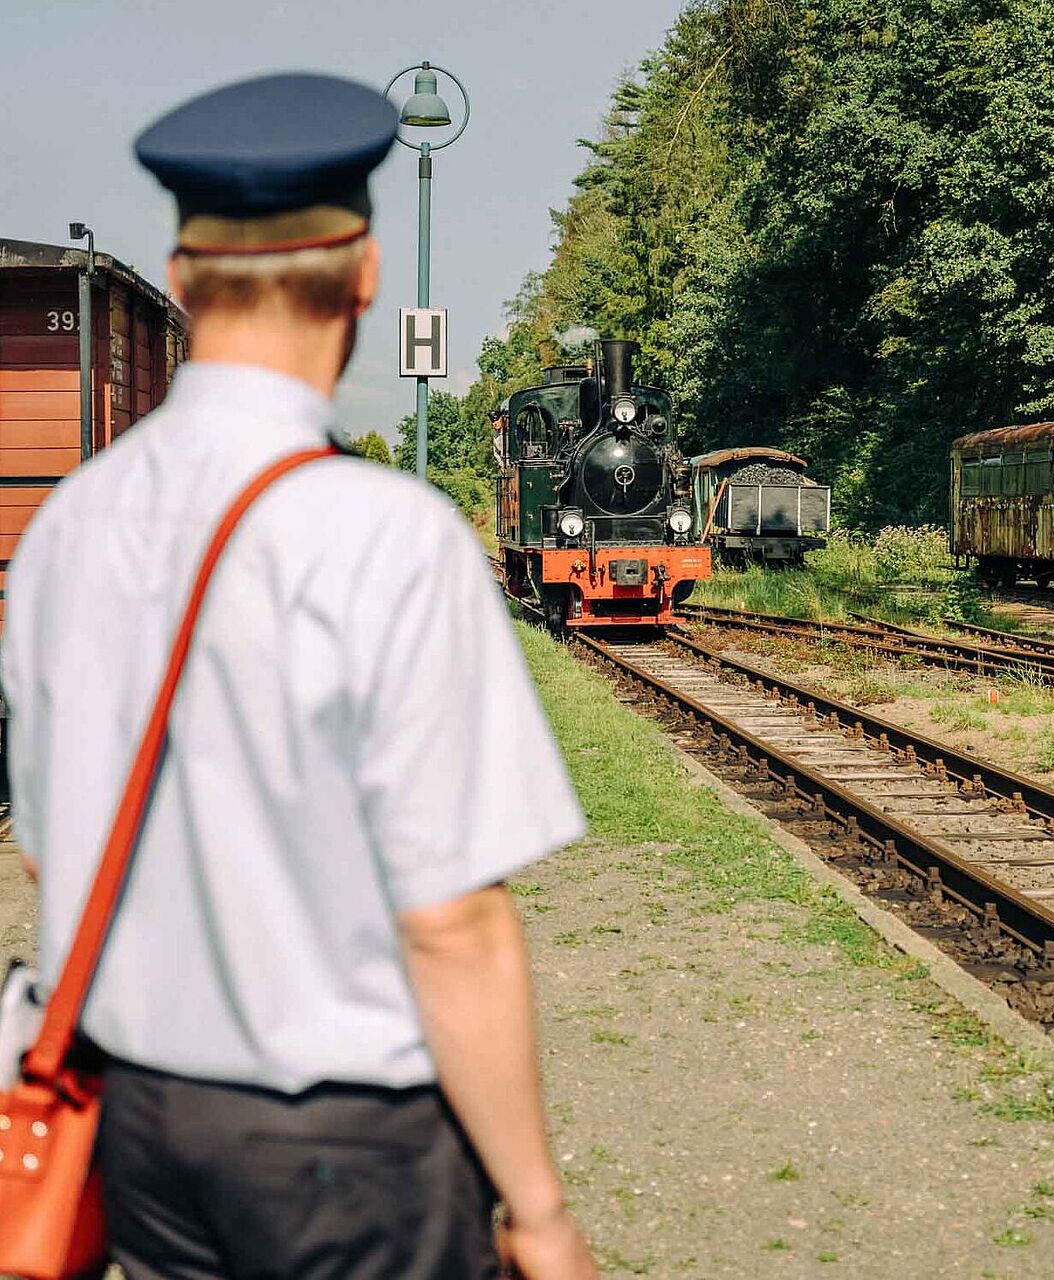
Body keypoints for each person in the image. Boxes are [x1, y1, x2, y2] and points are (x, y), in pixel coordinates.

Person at [2, 72, 597, 1280]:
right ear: (365, 276)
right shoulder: (389, 535)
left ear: (179, 279)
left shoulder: (67, 523)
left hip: (145, 1132)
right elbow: (451, 922)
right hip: (342, 1149)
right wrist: (534, 1206)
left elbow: (43, 846)